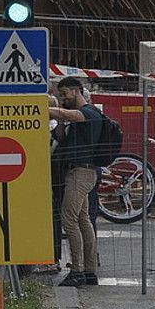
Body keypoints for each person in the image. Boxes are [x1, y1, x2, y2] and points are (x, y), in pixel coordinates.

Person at [49, 77, 105, 287]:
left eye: (65, 94)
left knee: (68, 219)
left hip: (81, 173)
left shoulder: (89, 113)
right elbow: (61, 137)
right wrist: (62, 120)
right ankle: (90, 270)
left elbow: (66, 113)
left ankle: (78, 270)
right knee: (82, 220)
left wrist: (43, 108)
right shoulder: (74, 118)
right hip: (76, 172)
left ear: (77, 91)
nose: (62, 98)